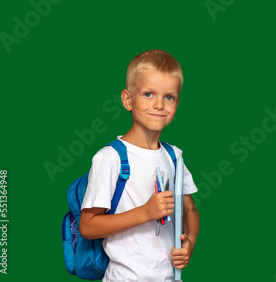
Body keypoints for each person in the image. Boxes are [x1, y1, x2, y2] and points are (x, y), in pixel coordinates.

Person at [79, 49, 200, 281]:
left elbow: (190, 209)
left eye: (169, 97)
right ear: (128, 99)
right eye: (148, 94)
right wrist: (145, 212)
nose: (159, 105)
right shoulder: (110, 158)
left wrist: (190, 242)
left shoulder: (175, 156)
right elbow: (88, 226)